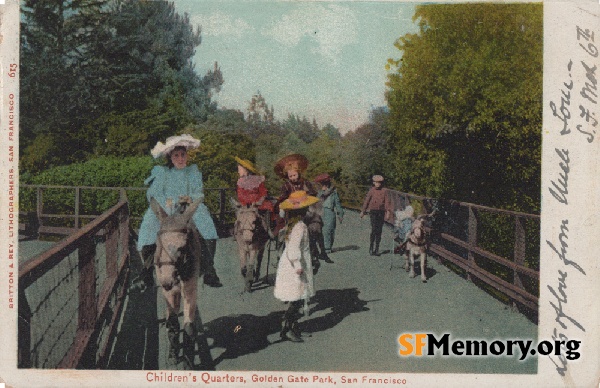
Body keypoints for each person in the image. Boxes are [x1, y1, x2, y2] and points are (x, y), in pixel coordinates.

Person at [135, 134, 222, 290]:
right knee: (149, 222)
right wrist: (168, 203)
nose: (181, 159)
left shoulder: (192, 171)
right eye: (177, 155)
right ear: (170, 157)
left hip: (187, 208)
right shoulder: (162, 172)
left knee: (204, 217)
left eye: (183, 155)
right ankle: (146, 272)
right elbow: (154, 193)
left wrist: (190, 198)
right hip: (166, 208)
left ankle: (209, 269)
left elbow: (199, 192)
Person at [274, 190, 319, 342]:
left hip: (291, 263)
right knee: (297, 298)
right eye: (306, 209)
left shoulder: (293, 224)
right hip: (295, 265)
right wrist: (298, 265)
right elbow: (293, 247)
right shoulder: (300, 227)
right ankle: (287, 327)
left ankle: (292, 327)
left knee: (299, 297)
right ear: (302, 211)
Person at [274, 154, 330, 266]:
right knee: (284, 229)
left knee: (315, 225)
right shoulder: (286, 185)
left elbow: (312, 194)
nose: (293, 178)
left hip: (305, 209)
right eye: (290, 176)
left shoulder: (305, 182)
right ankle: (283, 253)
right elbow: (283, 198)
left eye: (294, 175)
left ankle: (317, 251)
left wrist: (306, 198)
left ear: (298, 173)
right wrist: (286, 203)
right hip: (292, 210)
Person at [235, 156, 274, 282]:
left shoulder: (258, 180)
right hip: (246, 205)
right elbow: (240, 195)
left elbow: (263, 192)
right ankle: (236, 231)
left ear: (246, 170)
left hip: (257, 204)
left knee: (266, 212)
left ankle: (268, 230)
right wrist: (246, 202)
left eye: (239, 169)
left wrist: (259, 201)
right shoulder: (240, 182)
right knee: (240, 216)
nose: (238, 171)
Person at [360, 175, 392, 256]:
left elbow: (387, 202)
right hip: (373, 212)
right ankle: (371, 247)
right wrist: (363, 211)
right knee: (374, 229)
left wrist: (388, 212)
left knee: (379, 230)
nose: (377, 184)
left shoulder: (384, 191)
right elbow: (367, 200)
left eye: (379, 183)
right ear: (373, 183)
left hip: (381, 212)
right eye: (376, 182)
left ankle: (377, 248)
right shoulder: (371, 190)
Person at [314, 173, 344, 254]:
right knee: (320, 230)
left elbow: (337, 204)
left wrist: (340, 214)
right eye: (322, 185)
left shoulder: (334, 193)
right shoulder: (319, 193)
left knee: (329, 230)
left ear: (328, 185)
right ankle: (322, 246)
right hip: (320, 212)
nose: (324, 187)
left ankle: (328, 247)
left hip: (330, 212)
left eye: (325, 185)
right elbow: (316, 203)